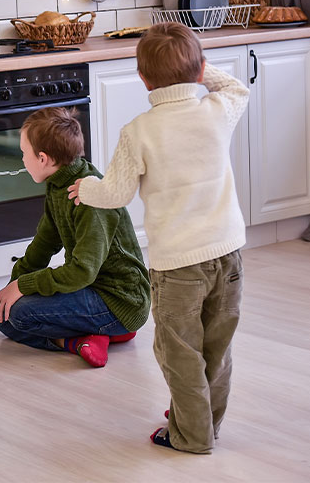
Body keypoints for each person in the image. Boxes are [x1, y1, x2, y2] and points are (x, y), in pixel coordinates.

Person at [68, 22, 250, 454]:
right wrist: (200, 72)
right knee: (216, 347)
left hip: (178, 265)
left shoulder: (139, 131)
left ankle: (190, 434)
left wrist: (85, 190)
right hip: (228, 254)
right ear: (201, 68)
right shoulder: (216, 109)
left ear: (143, 79)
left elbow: (116, 193)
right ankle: (206, 423)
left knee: (179, 350)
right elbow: (238, 87)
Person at [0, 106, 150, 369]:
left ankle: (86, 337)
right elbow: (43, 245)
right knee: (5, 317)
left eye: (23, 154)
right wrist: (10, 287)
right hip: (90, 289)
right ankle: (91, 337)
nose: (22, 160)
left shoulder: (90, 194)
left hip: (119, 301)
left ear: (42, 158)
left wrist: (22, 288)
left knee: (19, 313)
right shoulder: (58, 186)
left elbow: (82, 271)